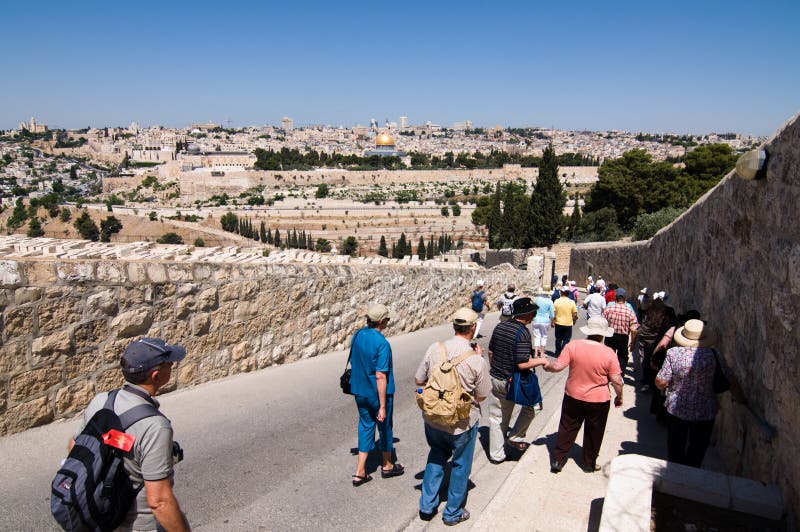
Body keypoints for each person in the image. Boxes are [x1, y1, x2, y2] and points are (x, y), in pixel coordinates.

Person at [68, 338, 191, 532]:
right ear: (156, 376)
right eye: (170, 364)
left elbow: (75, 447)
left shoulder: (101, 402)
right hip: (140, 526)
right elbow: (159, 502)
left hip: (103, 517)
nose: (173, 367)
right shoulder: (155, 427)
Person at [415, 308, 491, 526]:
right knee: (460, 465)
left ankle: (427, 506)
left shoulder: (434, 348)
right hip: (462, 423)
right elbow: (482, 396)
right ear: (474, 328)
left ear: (454, 327)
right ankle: (452, 512)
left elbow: (419, 380)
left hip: (433, 419)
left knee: (436, 455)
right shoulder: (476, 360)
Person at [544, 317, 623, 473]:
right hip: (598, 399)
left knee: (567, 426)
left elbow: (558, 366)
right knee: (595, 431)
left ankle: (558, 459)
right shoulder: (609, 353)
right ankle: (589, 463)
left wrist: (548, 367)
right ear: (602, 335)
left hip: (573, 395)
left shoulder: (573, 346)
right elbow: (616, 380)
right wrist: (619, 396)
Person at [486, 297, 548, 463]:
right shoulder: (522, 333)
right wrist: (542, 360)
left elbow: (491, 352)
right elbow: (522, 364)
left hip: (495, 377)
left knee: (497, 418)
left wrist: (497, 368)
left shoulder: (500, 326)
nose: (535, 314)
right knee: (534, 406)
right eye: (533, 311)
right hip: (512, 382)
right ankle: (515, 436)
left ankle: (496, 455)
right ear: (527, 314)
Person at [655, 319, 723, 468]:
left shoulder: (673, 353)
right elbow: (727, 377)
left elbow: (661, 381)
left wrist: (662, 385)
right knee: (697, 451)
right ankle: (691, 477)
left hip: (677, 409)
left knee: (675, 449)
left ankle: (676, 478)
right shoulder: (714, 355)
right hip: (705, 410)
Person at [349, 303, 404, 486]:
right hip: (378, 394)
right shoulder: (382, 344)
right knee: (385, 427)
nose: (388, 321)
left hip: (359, 391)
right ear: (381, 321)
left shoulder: (357, 336)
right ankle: (387, 465)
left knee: (365, 426)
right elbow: (381, 375)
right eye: (387, 319)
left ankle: (360, 472)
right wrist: (381, 405)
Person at [602, 288, 639, 374]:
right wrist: (633, 342)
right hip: (623, 338)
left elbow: (602, 323)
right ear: (625, 298)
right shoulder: (629, 312)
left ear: (615, 297)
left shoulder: (609, 309)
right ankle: (620, 375)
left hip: (610, 335)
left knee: (609, 356)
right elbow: (634, 330)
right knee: (622, 357)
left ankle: (608, 374)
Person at [553, 285, 578, 358]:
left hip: (558, 322)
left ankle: (558, 352)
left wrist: (553, 320)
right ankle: (563, 352)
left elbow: (554, 312)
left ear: (561, 292)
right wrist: (574, 320)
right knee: (566, 339)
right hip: (568, 323)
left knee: (558, 338)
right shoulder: (572, 302)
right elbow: (574, 314)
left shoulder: (556, 301)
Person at [532, 292, 555, 359]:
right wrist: (552, 322)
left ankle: (536, 353)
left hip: (535, 319)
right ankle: (542, 353)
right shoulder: (550, 301)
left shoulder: (536, 299)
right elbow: (552, 314)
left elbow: (532, 309)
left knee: (536, 336)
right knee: (544, 336)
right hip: (545, 321)